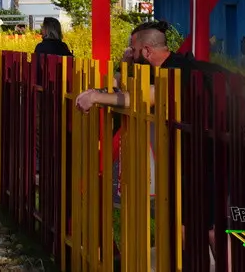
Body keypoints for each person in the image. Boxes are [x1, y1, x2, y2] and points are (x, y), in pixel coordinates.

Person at [74, 20, 227, 263]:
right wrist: (124, 65)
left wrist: (96, 96)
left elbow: (145, 96)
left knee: (207, 226)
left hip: (203, 155)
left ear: (146, 51)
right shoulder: (168, 64)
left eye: (134, 51)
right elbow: (129, 83)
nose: (132, 55)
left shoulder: (174, 70)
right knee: (192, 220)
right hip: (190, 153)